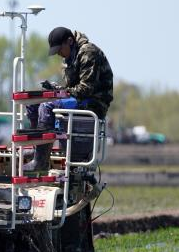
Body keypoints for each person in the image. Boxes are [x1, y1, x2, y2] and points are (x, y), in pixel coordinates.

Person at [24, 26, 114, 171]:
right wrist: (57, 90)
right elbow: (72, 89)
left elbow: (86, 89)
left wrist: (61, 93)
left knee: (47, 107)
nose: (59, 53)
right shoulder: (69, 58)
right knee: (33, 104)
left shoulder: (88, 52)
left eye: (60, 49)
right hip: (80, 98)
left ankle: (41, 161)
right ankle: (38, 151)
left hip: (94, 103)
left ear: (70, 41)